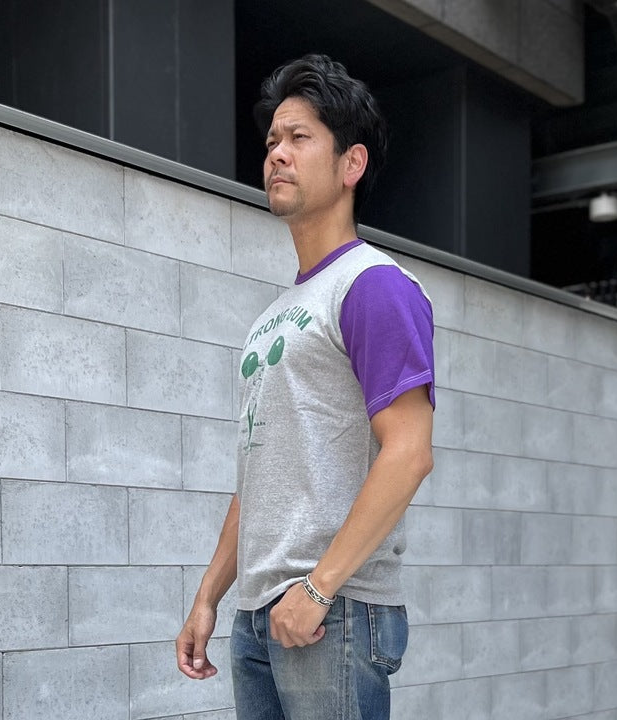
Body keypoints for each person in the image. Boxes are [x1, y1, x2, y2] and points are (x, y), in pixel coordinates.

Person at [176, 54, 435, 720]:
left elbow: (409, 453)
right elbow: (261, 473)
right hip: (260, 613)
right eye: (272, 141)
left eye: (299, 137)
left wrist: (318, 589)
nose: (276, 154)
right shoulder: (274, 316)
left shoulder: (373, 287)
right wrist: (209, 596)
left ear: (351, 164)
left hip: (333, 612)